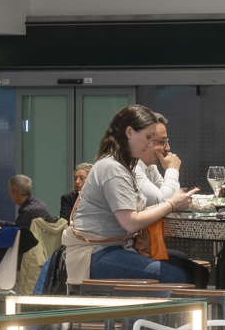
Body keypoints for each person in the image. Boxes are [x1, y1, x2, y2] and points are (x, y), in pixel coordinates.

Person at [58, 105, 197, 286]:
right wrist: (171, 205)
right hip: (94, 252)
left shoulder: (121, 165)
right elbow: (130, 222)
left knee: (187, 270)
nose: (150, 144)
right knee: (176, 277)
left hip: (110, 248)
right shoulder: (113, 168)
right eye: (148, 137)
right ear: (129, 132)